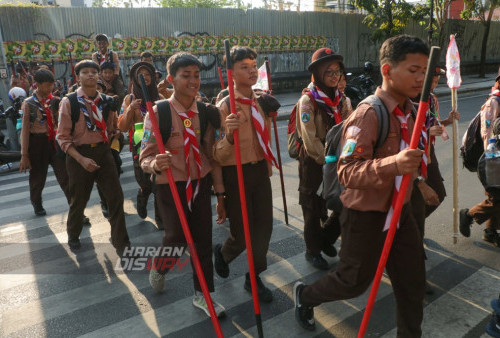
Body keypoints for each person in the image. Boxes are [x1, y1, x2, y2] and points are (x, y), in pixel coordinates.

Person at [293, 35, 428, 336]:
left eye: (425, 70)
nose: (421, 77)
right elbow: (347, 172)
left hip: (400, 210)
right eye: (413, 70)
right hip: (366, 214)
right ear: (387, 70)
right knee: (353, 281)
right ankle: (306, 296)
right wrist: (394, 164)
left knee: (412, 282)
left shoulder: (408, 110)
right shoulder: (369, 113)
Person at [140, 52, 226, 317]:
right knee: (176, 238)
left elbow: (213, 156)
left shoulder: (207, 112)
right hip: (170, 186)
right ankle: (160, 266)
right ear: (171, 79)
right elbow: (145, 156)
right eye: (185, 75)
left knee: (202, 240)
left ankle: (203, 295)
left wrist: (221, 196)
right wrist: (156, 163)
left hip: (199, 184)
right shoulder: (159, 113)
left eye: (196, 75)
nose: (193, 81)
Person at [212, 46, 279, 303]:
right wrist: (229, 135)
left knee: (263, 229)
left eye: (253, 66)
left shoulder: (260, 100)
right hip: (235, 174)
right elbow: (217, 155)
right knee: (242, 233)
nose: (252, 71)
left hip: (259, 173)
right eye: (244, 67)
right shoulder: (224, 106)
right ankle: (225, 253)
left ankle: (254, 278)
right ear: (231, 73)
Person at [56, 60, 130, 253]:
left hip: (103, 152)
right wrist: (81, 160)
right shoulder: (69, 101)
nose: (90, 75)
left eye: (93, 72)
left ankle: (121, 243)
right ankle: (73, 234)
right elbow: (62, 138)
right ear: (77, 76)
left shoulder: (106, 101)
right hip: (78, 154)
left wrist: (116, 133)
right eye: (85, 72)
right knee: (79, 200)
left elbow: (112, 127)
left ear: (98, 76)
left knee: (116, 198)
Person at [295, 48, 351, 270]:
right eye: (328, 71)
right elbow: (309, 139)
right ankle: (313, 250)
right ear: (317, 74)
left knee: (343, 202)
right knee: (313, 207)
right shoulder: (307, 102)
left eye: (337, 71)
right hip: (315, 162)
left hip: (339, 161)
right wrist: (329, 161)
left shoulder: (343, 100)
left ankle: (325, 238)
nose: (334, 76)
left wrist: (349, 156)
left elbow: (352, 129)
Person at [19, 69, 71, 216]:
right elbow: (24, 130)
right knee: (37, 177)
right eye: (47, 85)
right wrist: (24, 154)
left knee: (65, 176)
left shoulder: (56, 101)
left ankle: (75, 207)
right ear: (37, 85)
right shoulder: (29, 104)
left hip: (55, 142)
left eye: (52, 85)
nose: (50, 88)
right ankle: (36, 202)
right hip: (37, 143)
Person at [118, 61, 163, 229]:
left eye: (148, 74)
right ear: (135, 79)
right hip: (140, 148)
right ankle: (142, 197)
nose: (145, 78)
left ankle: (161, 218)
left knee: (159, 184)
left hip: (159, 147)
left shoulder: (160, 97)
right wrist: (130, 108)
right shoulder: (129, 99)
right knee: (146, 184)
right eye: (141, 75)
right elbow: (121, 126)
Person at [460, 74, 500, 246]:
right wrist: (492, 162)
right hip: (493, 157)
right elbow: (487, 134)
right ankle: (469, 215)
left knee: (496, 197)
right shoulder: (494, 102)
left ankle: (491, 231)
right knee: (496, 197)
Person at [91, 34, 124, 99]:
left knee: (120, 91)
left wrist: (111, 82)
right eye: (99, 43)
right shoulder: (95, 55)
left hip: (113, 77)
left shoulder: (113, 54)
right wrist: (105, 83)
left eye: (104, 43)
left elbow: (117, 70)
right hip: (101, 78)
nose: (101, 45)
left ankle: (120, 106)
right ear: (97, 45)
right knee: (95, 91)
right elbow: (97, 70)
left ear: (108, 44)